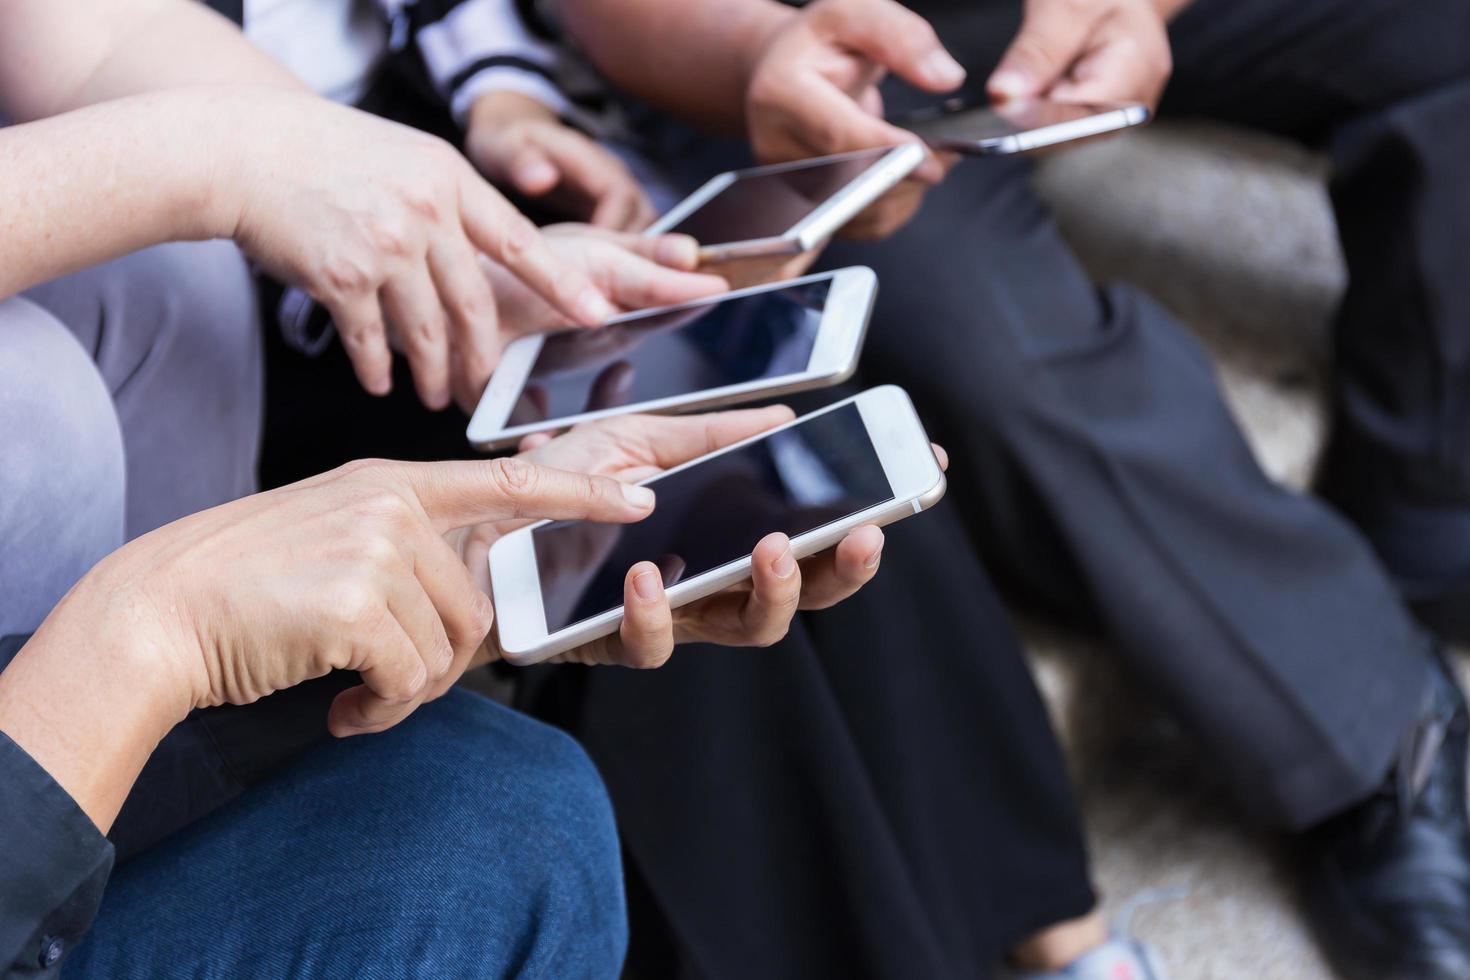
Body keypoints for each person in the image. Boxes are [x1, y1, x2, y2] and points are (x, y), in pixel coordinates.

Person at [517, 0, 1470, 976]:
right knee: (983, 351)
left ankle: (1426, 532)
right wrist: (756, 54)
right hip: (799, 55)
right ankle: (1375, 726)